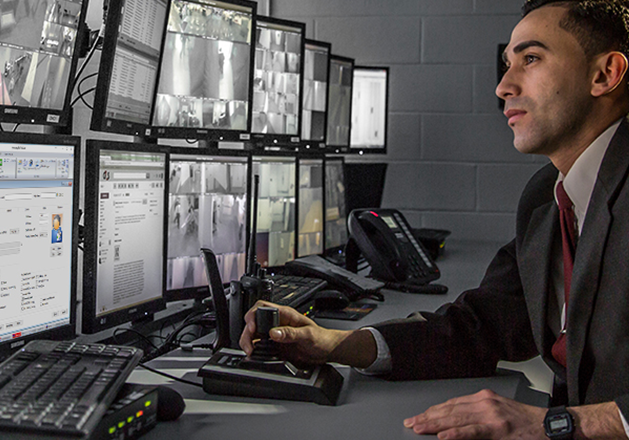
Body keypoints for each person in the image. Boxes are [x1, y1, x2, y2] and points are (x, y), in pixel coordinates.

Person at [240, 0, 629, 438]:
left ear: (605, 74)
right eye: (507, 64)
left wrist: (560, 423)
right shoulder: (547, 198)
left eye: (531, 59)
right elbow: (479, 328)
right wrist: (334, 343)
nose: (503, 86)